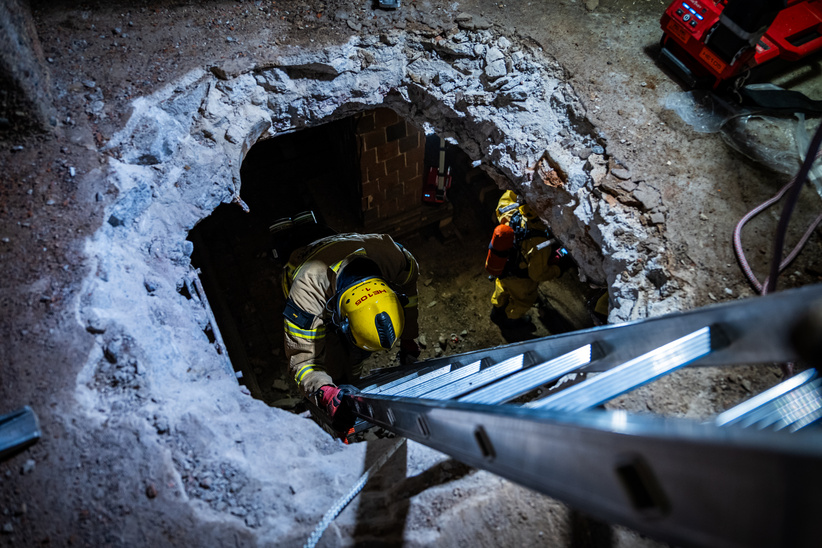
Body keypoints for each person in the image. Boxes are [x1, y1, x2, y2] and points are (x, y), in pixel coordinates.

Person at [282, 233, 421, 433]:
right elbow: (302, 362)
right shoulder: (306, 294)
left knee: (355, 354)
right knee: (331, 354)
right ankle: (339, 376)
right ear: (342, 319)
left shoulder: (397, 259)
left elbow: (410, 291)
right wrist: (325, 391)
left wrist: (409, 336)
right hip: (308, 267)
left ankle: (352, 374)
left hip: (344, 244)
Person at [485, 191, 569, 333]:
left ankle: (496, 312)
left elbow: (505, 200)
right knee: (522, 301)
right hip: (521, 281)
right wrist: (557, 269)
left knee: (502, 288)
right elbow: (537, 274)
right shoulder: (540, 241)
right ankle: (511, 322)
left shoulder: (511, 213)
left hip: (504, 268)